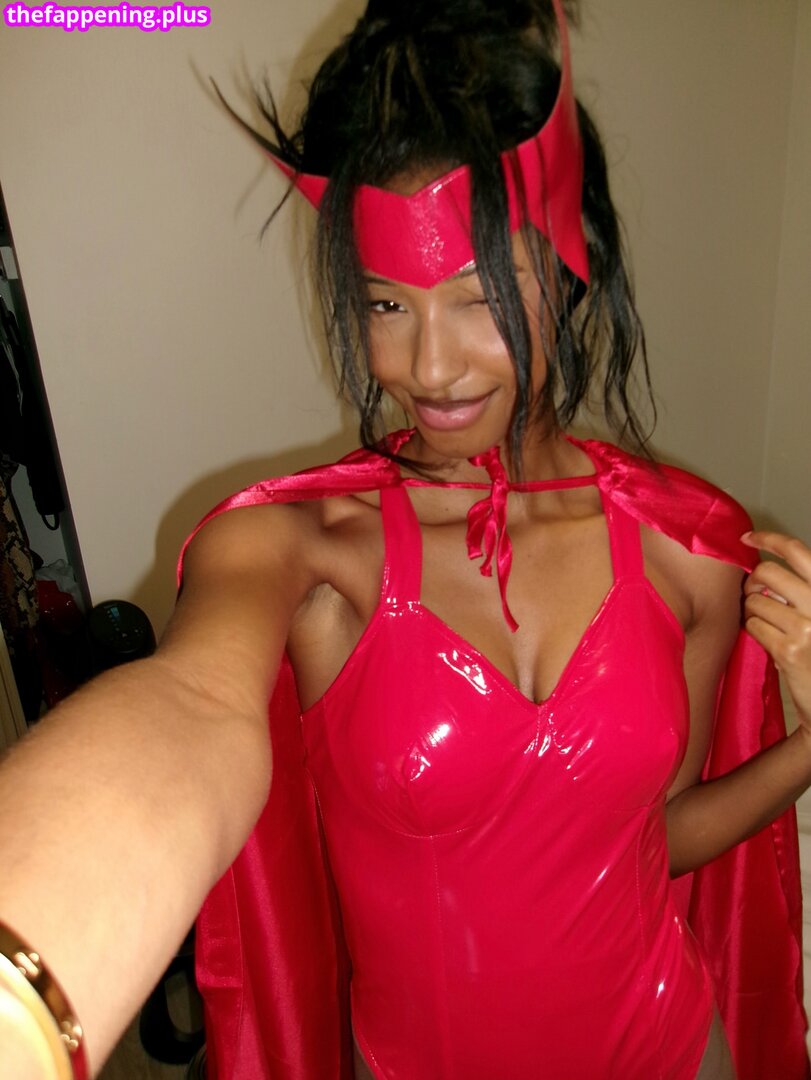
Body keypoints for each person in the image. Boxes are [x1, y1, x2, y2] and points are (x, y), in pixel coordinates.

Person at [1, 1, 810, 1078]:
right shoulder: (305, 552)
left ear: (571, 272)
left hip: (669, 1047)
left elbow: (653, 835)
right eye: (386, 305)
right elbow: (191, 707)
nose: (426, 367)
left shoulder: (686, 549)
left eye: (477, 300)